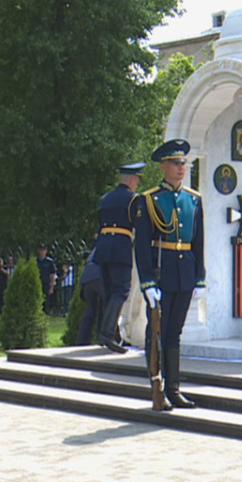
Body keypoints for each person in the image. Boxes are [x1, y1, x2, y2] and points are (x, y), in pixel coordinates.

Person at [134, 139, 204, 410]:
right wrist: (148, 282)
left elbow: (199, 241)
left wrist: (200, 277)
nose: (181, 167)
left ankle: (174, 388)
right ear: (163, 166)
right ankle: (157, 385)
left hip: (184, 272)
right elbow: (141, 246)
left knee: (174, 331)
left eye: (184, 163)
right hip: (162, 274)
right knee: (157, 332)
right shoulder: (150, 200)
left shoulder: (193, 199)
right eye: (176, 163)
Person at [91, 162, 144, 353]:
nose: (137, 183)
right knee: (121, 289)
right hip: (120, 247)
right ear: (131, 179)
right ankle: (107, 333)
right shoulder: (133, 199)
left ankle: (111, 334)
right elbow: (139, 224)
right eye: (137, 179)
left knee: (110, 290)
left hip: (104, 248)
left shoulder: (105, 199)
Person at [76, 246, 109, 346]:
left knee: (90, 310)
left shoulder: (97, 247)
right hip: (100, 277)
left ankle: (82, 341)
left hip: (87, 279)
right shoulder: (111, 245)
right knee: (107, 308)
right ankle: (103, 338)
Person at [36, 243, 57, 315]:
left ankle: (46, 315)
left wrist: (51, 287)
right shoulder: (35, 261)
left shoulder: (49, 262)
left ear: (46, 251)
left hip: (46, 284)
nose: (42, 251)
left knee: (46, 302)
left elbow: (52, 275)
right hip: (37, 284)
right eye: (41, 250)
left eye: (44, 250)